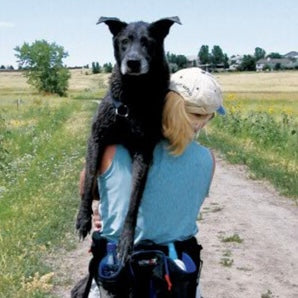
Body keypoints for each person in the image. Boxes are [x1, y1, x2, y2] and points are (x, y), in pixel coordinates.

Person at [75, 67, 225, 298]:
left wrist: (104, 211)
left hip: (119, 274)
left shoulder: (113, 151)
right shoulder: (207, 159)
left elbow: (89, 191)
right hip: (175, 276)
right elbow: (176, 208)